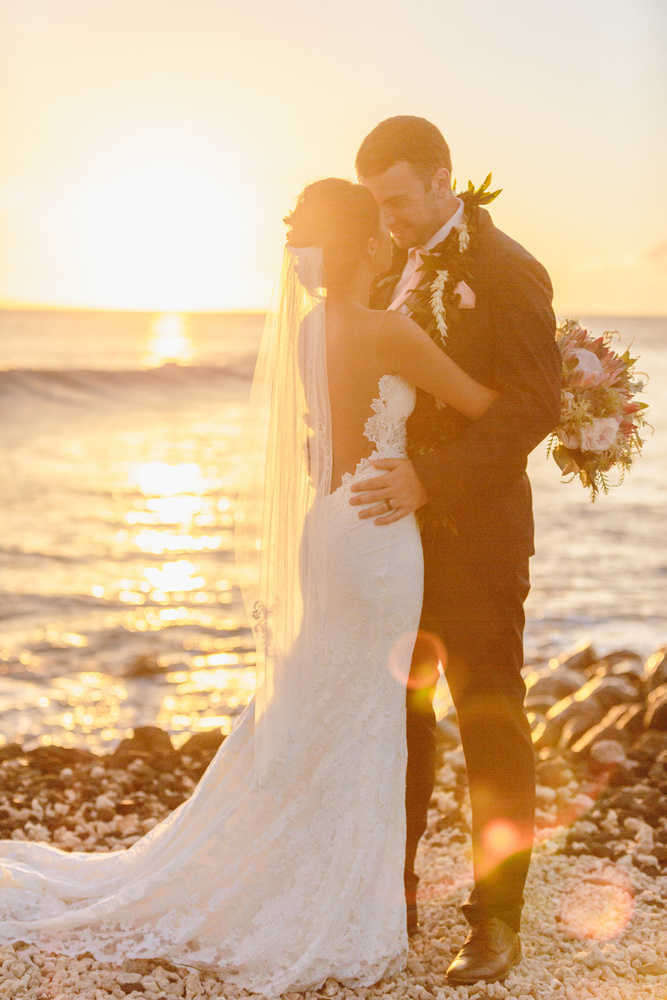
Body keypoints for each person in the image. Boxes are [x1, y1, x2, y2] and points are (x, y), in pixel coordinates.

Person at [0, 179, 499, 996]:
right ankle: (334, 900)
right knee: (364, 714)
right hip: (375, 536)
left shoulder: (311, 328)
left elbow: (324, 434)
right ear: (366, 245)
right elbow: (481, 403)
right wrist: (582, 387)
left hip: (331, 522)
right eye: (379, 229)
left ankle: (310, 880)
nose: (388, 239)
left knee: (327, 701)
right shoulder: (390, 331)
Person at [353, 116, 562, 984]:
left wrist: (427, 479)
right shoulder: (386, 256)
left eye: (399, 201)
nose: (390, 220)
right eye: (378, 205)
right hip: (391, 548)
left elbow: (532, 407)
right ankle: (389, 904)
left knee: (489, 723)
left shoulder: (506, 270)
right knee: (397, 726)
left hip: (474, 541)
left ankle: (496, 925)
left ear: (442, 179)